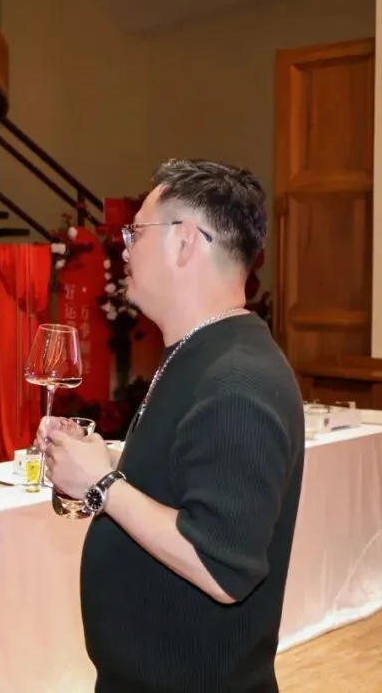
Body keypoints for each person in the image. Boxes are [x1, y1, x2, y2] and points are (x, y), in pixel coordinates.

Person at [41, 159, 305, 693]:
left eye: (135, 232)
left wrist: (102, 485)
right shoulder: (201, 354)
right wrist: (101, 465)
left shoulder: (236, 381)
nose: (123, 249)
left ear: (184, 241)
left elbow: (221, 565)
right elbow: (182, 484)